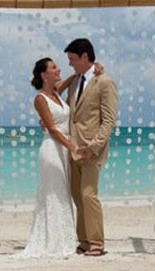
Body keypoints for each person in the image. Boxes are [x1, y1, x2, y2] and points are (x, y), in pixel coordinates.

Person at [64, 38, 118, 257]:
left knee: (88, 195)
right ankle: (84, 240)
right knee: (77, 195)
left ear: (85, 56)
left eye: (73, 59)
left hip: (92, 149)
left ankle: (97, 243)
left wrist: (94, 146)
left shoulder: (104, 82)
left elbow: (108, 120)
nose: (70, 63)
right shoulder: (75, 81)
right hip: (73, 147)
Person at [19, 57, 77, 257]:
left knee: (63, 192)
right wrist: (73, 146)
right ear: (44, 75)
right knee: (55, 192)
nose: (58, 69)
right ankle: (54, 241)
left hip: (63, 149)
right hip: (52, 149)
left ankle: (65, 238)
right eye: (54, 68)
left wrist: (82, 73)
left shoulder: (56, 94)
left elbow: (68, 81)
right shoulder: (40, 99)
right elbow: (52, 129)